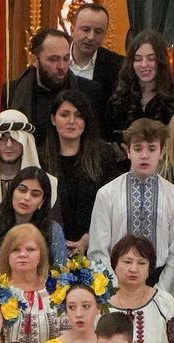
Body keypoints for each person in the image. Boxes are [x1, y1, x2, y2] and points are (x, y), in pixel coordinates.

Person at [88, 121, 174, 292]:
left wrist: (162, 293)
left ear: (162, 152)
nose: (144, 155)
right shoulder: (106, 194)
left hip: (160, 282)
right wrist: (113, 290)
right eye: (138, 148)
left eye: (152, 149)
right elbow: (98, 250)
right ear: (128, 151)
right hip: (115, 282)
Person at [39, 91, 119, 255]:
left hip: (97, 246)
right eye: (64, 115)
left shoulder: (104, 156)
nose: (71, 121)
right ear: (53, 119)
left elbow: (115, 203)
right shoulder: (40, 158)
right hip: (49, 249)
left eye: (78, 115)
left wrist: (90, 238)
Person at [2, 29, 105, 147]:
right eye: (53, 59)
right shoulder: (12, 91)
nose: (61, 66)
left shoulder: (89, 91)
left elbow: (96, 141)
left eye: (66, 59)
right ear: (34, 60)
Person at [0, 167, 66, 270]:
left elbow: (61, 276)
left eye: (35, 194)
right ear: (12, 192)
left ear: (42, 202)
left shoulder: (52, 230)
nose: (26, 197)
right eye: (22, 190)